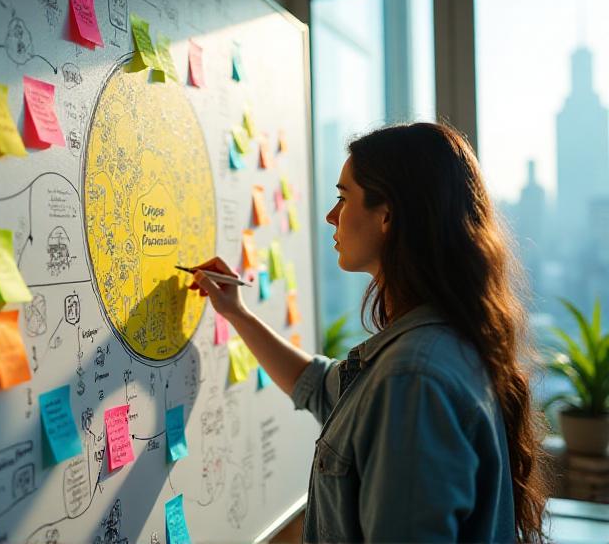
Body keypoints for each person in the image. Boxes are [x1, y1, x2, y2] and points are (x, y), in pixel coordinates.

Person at [190, 122, 549, 543]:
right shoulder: (440, 344)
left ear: (387, 215)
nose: (330, 216)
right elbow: (320, 386)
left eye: (343, 198)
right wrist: (237, 313)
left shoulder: (412, 379)